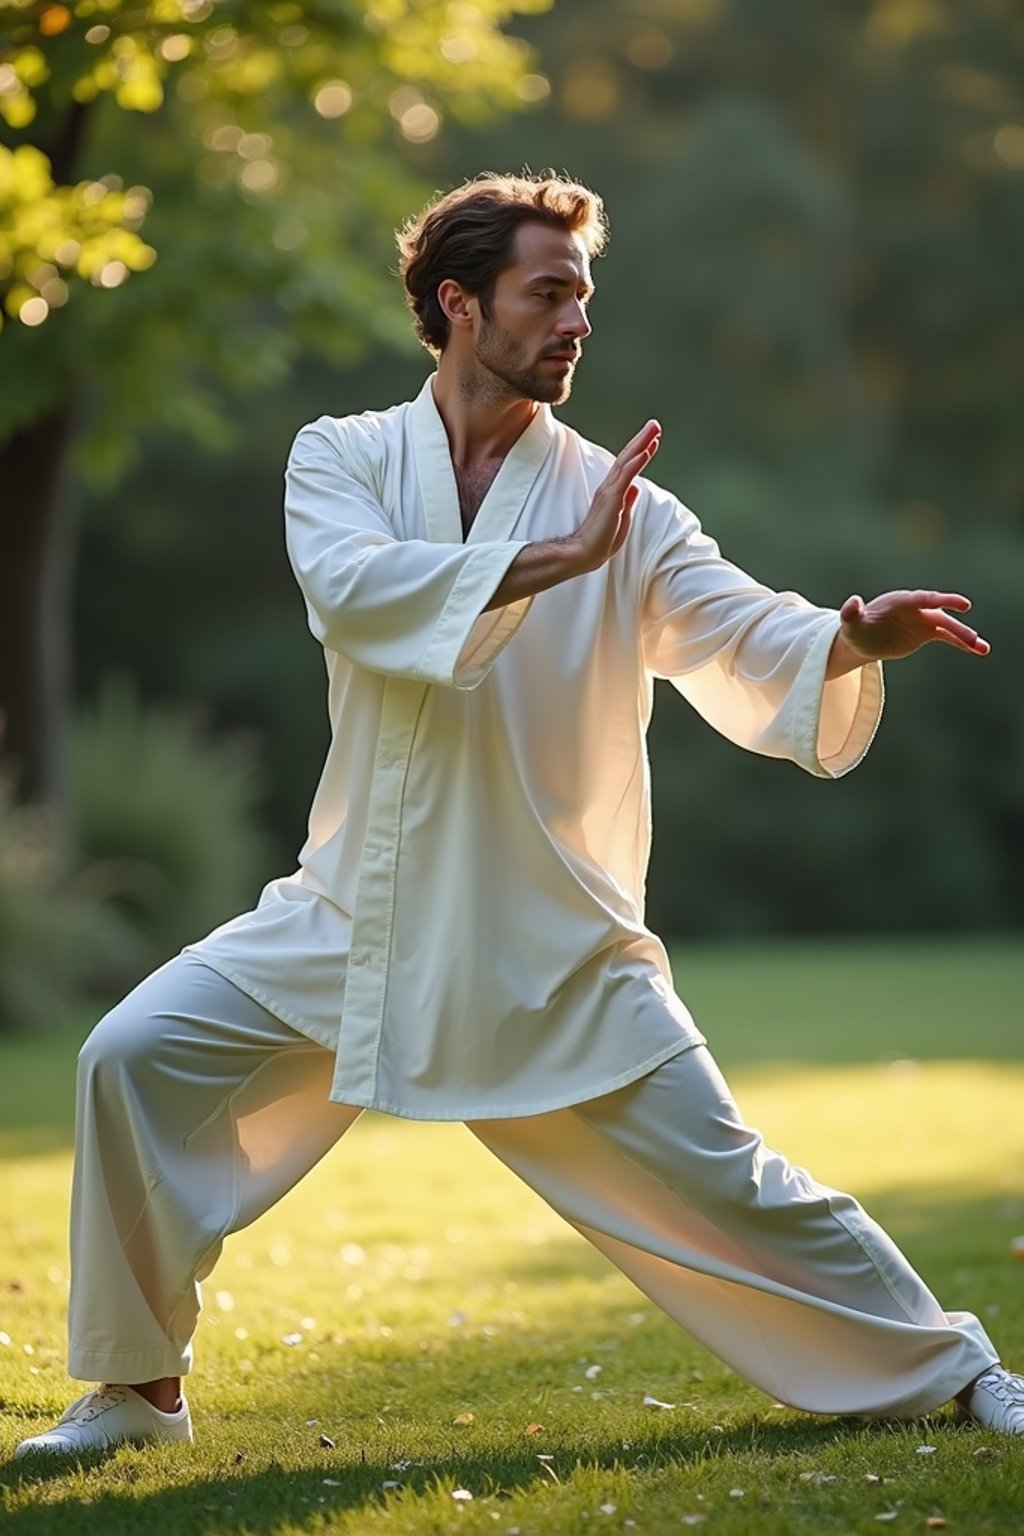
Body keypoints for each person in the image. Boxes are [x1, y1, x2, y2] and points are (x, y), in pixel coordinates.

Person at [15, 171, 1022, 1459]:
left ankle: (958, 1366)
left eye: (584, 296)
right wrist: (556, 560)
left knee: (736, 1186)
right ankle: (136, 1390)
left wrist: (845, 636)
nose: (575, 319)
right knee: (132, 1060)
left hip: (550, 944)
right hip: (354, 919)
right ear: (457, 303)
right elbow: (359, 592)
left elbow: (737, 622)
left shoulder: (628, 507)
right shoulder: (344, 457)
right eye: (548, 292)